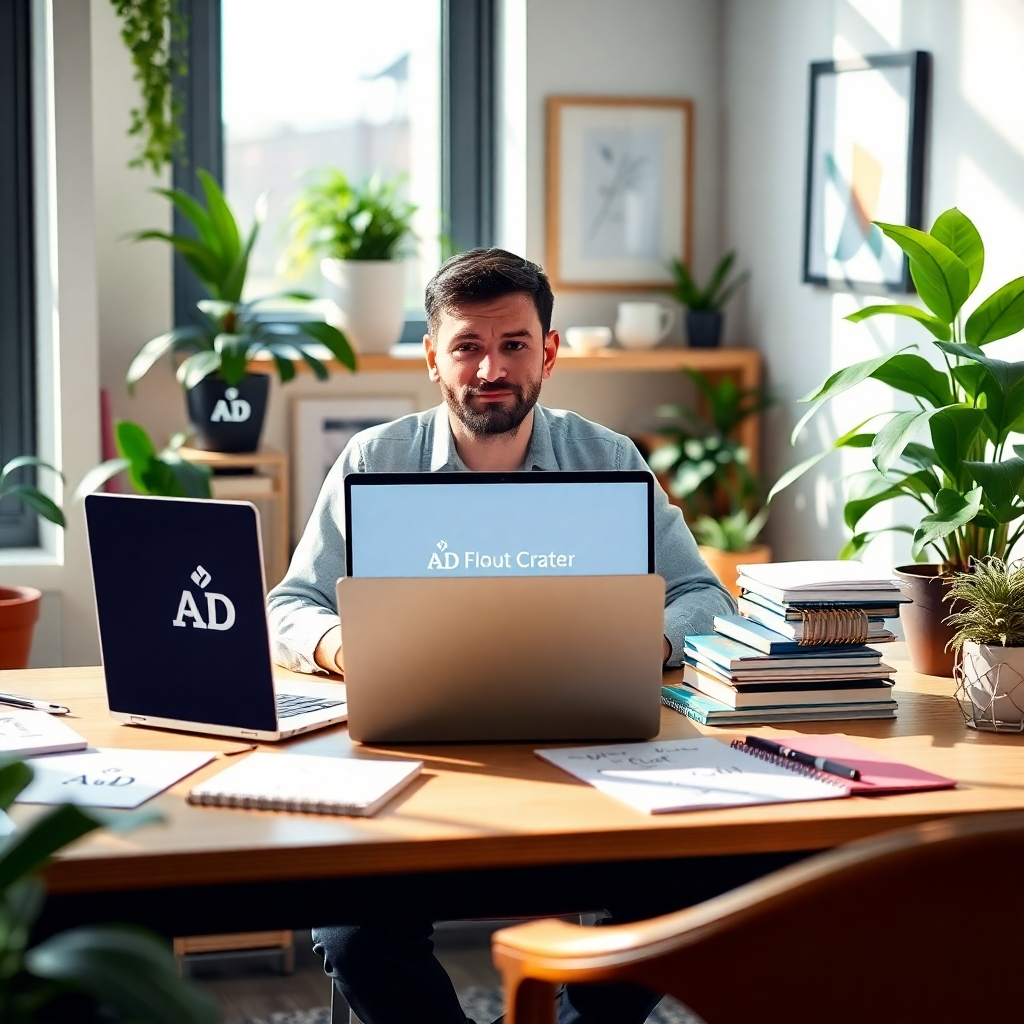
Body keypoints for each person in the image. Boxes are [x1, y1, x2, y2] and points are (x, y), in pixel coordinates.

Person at [267, 248, 738, 1024]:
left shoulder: (609, 460)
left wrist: (643, 641)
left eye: (513, 344)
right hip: (416, 769)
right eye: (467, 346)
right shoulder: (373, 459)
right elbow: (291, 605)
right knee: (352, 930)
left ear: (547, 353)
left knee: (696, 882)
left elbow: (704, 597)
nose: (491, 368)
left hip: (593, 769)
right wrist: (349, 649)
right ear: (432, 357)